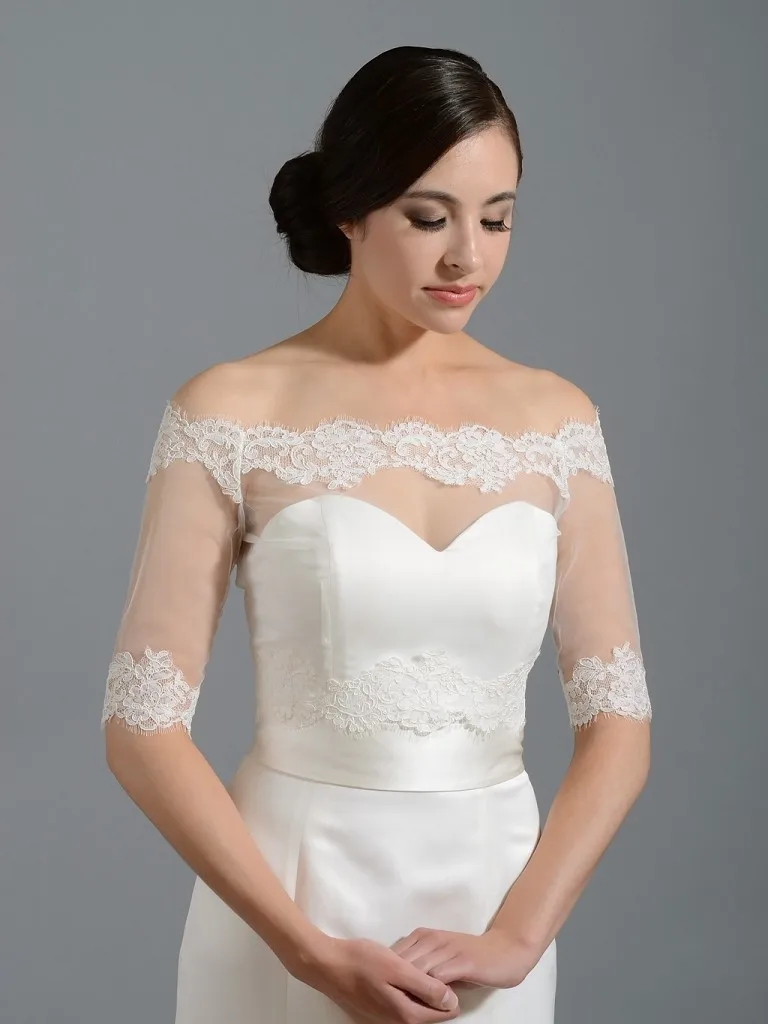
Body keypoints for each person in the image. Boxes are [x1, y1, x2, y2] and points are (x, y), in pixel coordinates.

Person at [100, 44, 652, 1024]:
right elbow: (141, 725)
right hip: (289, 897)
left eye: (497, 219)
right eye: (429, 217)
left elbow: (619, 724)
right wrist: (302, 947)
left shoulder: (558, 420)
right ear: (349, 211)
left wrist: (519, 937)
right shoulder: (231, 410)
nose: (467, 256)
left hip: (494, 905)